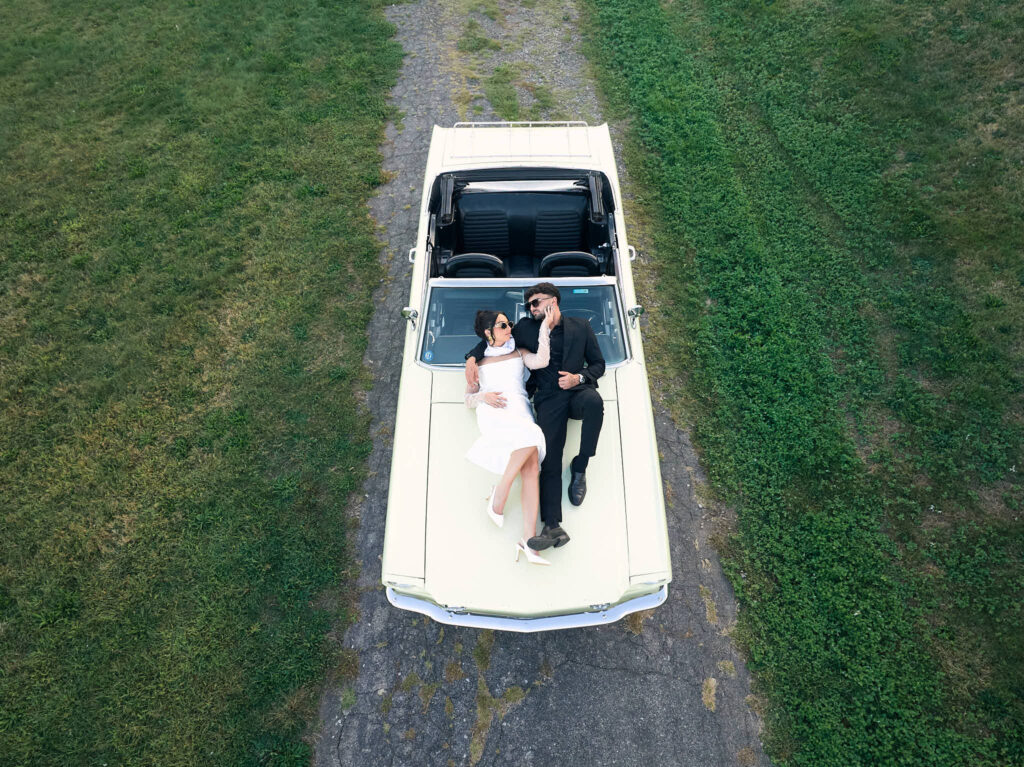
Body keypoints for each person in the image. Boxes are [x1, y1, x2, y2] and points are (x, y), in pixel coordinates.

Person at [465, 282, 605, 551]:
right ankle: (551, 524)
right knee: (548, 459)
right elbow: (492, 339)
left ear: (554, 300)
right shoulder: (526, 328)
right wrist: (472, 357)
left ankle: (581, 465)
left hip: (577, 391)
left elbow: (598, 365)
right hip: (548, 399)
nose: (531, 308)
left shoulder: (581, 326)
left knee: (594, 403)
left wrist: (579, 377)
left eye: (536, 302)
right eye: (529, 304)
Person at [464, 308, 556, 565]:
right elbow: (468, 399)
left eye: (509, 324)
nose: (509, 329)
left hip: (521, 411)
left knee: (531, 470)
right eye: (503, 325)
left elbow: (542, 362)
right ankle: (501, 491)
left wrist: (545, 329)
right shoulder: (477, 362)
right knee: (533, 435)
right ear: (488, 332)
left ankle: (528, 542)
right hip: (494, 412)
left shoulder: (519, 351)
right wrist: (484, 396)